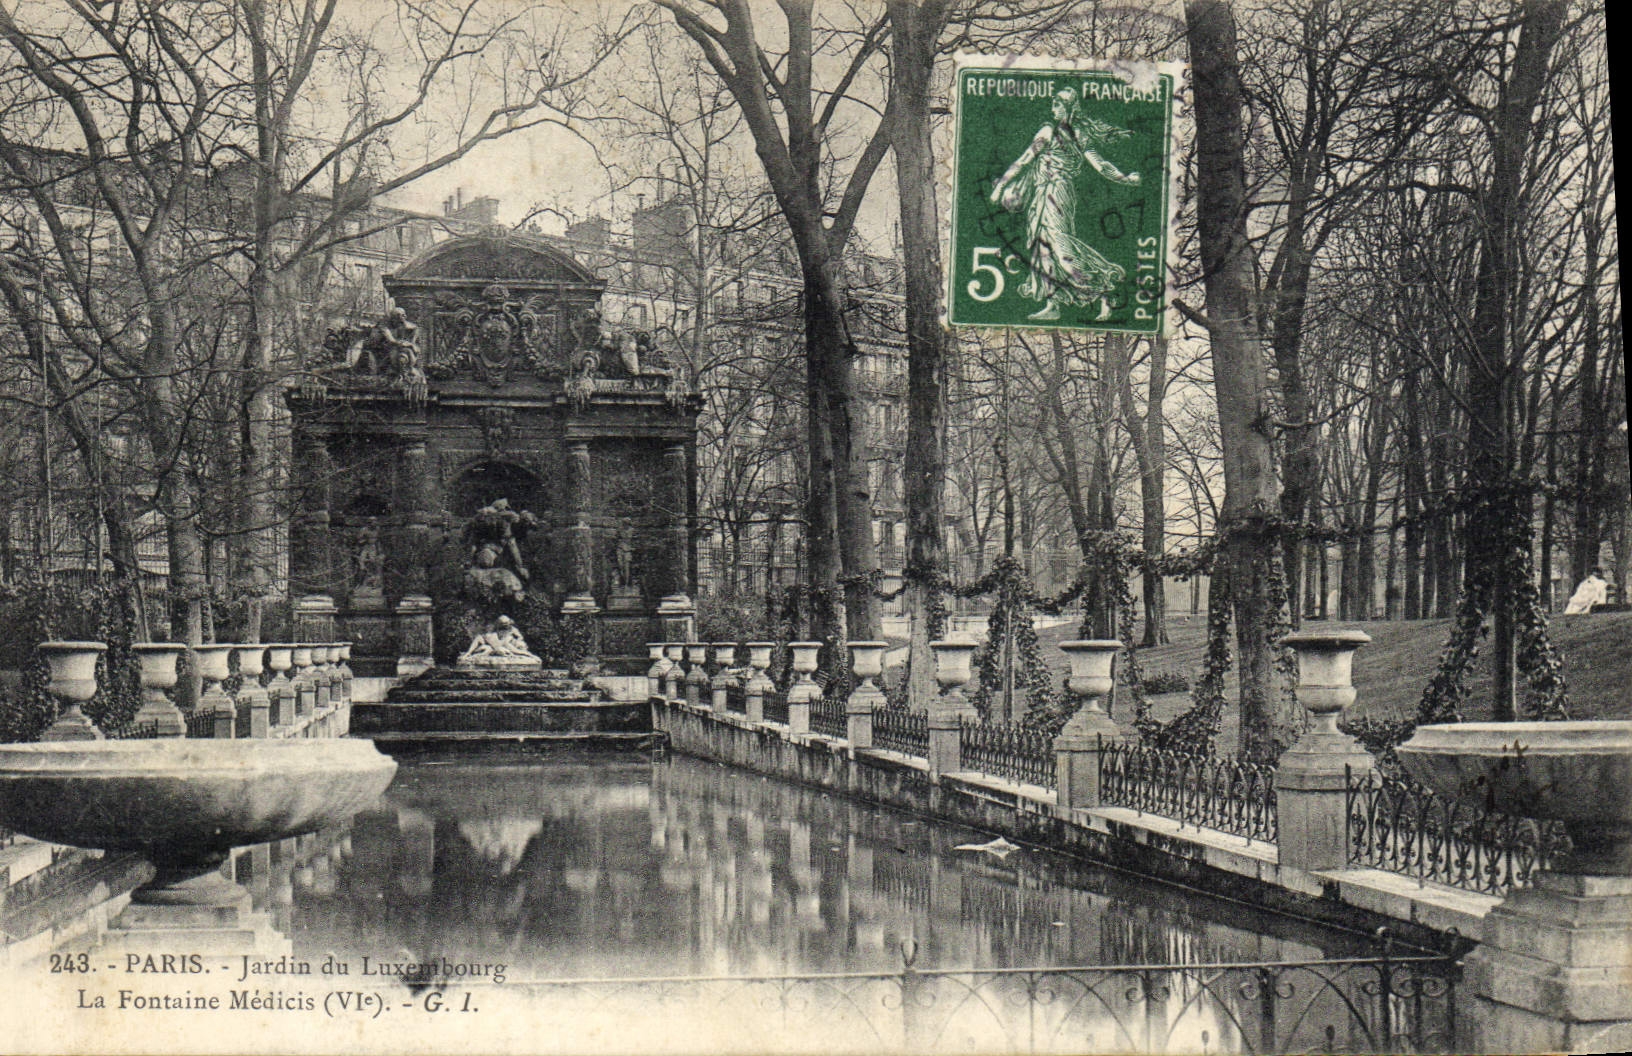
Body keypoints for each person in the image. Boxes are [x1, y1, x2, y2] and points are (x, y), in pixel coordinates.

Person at [990, 86, 1140, 321]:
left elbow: (1099, 164)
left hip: (1058, 192)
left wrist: (1125, 179)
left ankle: (1103, 286)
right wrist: (1001, 186)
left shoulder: (1073, 134)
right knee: (1042, 248)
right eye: (1052, 104)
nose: (1053, 108)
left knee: (1061, 248)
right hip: (1041, 194)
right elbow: (1025, 160)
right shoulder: (1050, 130)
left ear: (1069, 107)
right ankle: (1053, 304)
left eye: (1057, 104)